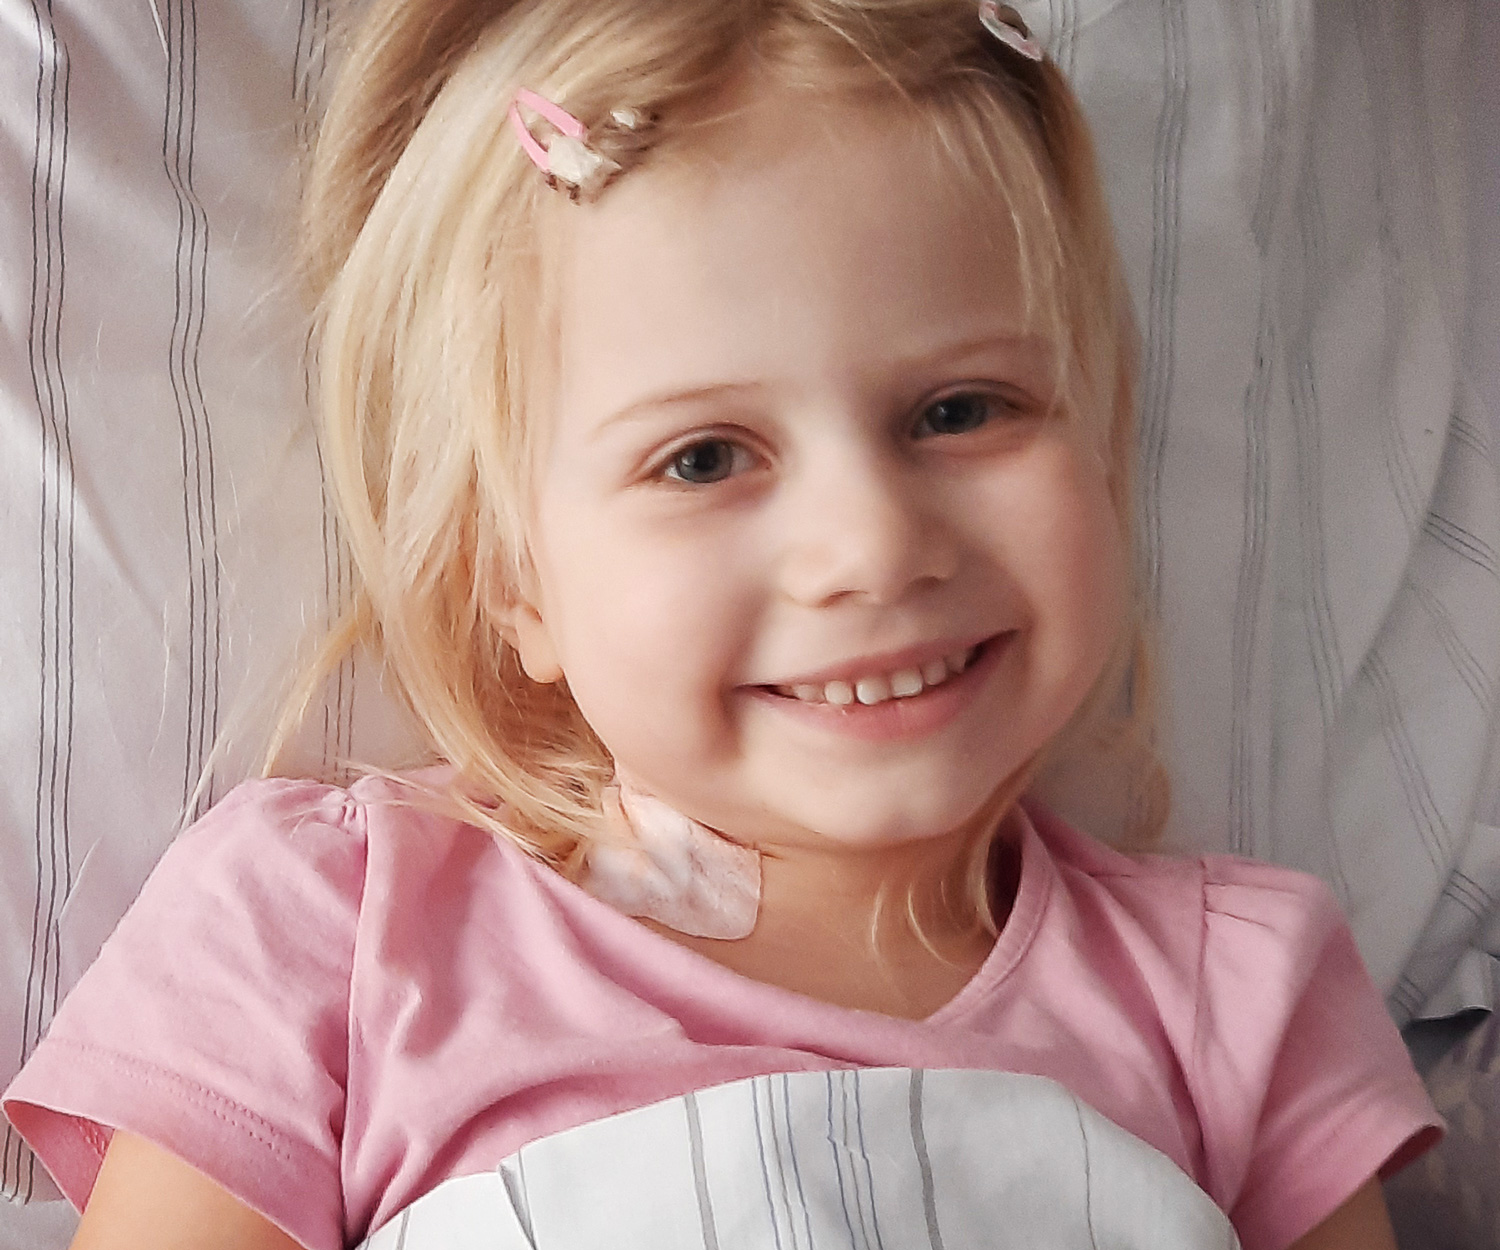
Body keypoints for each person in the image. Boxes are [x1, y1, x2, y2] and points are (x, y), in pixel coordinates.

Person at [1, 1, 1442, 1247]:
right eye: (703, 458)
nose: (872, 545)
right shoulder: (330, 931)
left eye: (960, 410)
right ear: (511, 580)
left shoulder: (1241, 997)